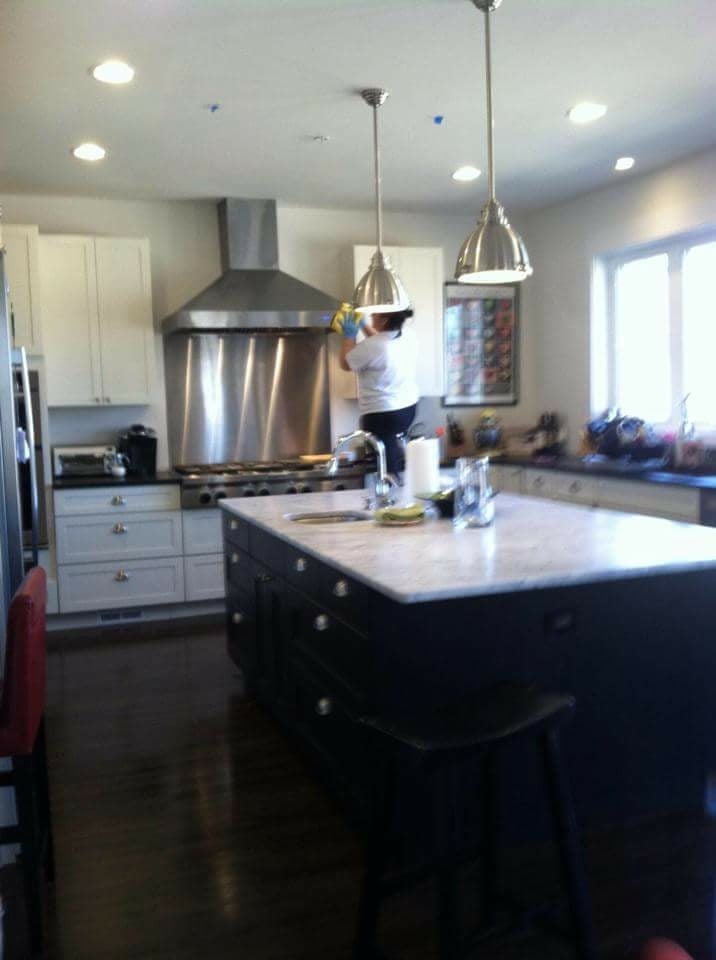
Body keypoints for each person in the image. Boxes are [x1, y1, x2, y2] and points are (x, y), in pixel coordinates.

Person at [338, 306, 418, 474]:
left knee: (386, 462)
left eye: (375, 314)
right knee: (389, 454)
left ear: (384, 320)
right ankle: (394, 481)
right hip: (407, 410)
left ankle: (391, 485)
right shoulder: (406, 337)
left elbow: (346, 363)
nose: (372, 316)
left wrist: (349, 336)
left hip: (382, 414)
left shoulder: (371, 346)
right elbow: (380, 344)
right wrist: (364, 326)